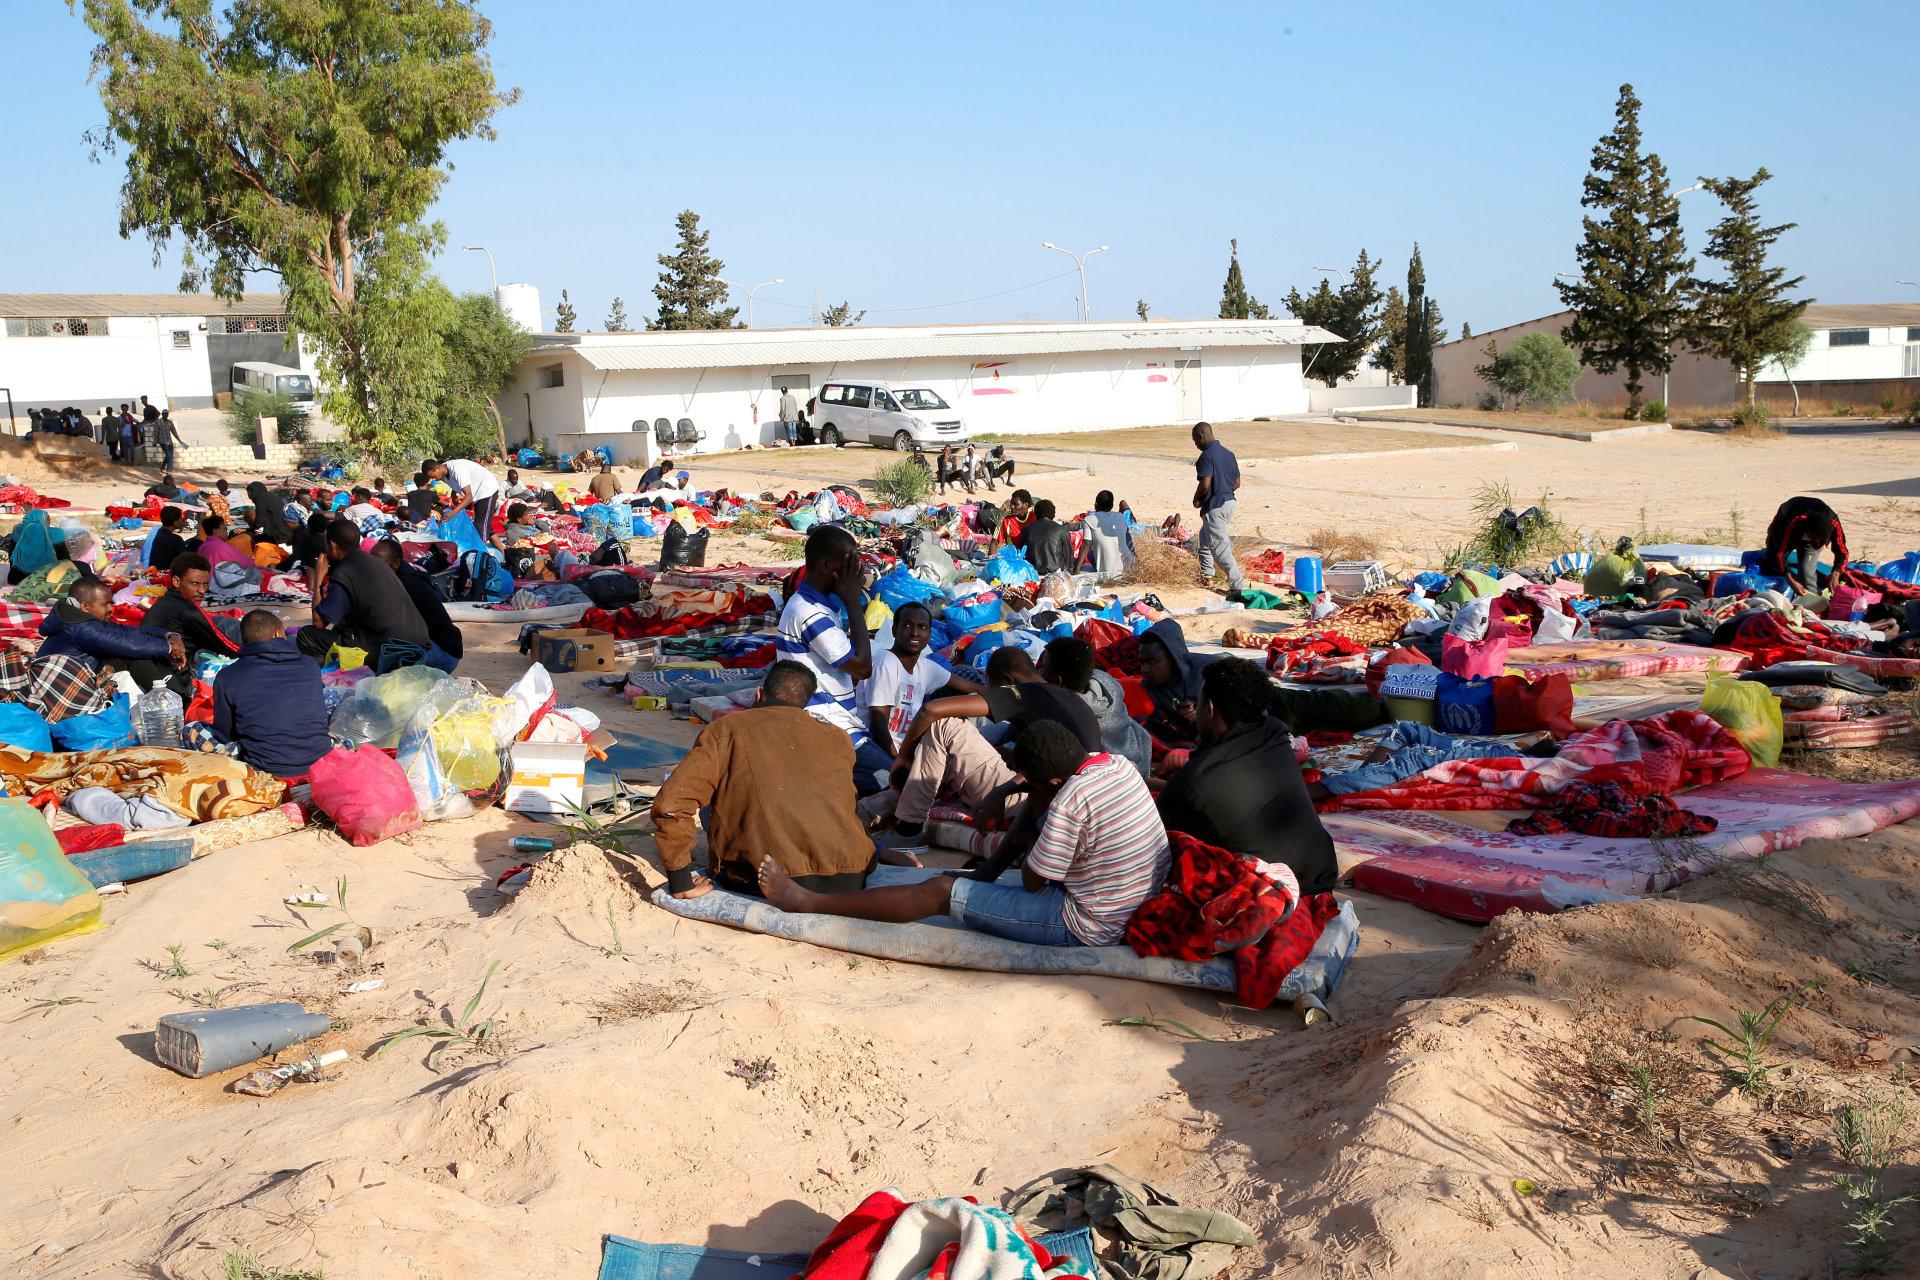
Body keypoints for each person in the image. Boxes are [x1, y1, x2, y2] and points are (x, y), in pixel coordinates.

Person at [757, 720, 1172, 949]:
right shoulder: (1116, 765)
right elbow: (1049, 789)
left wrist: (1039, 803)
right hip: (1134, 903)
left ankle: (809, 902)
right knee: (1021, 820)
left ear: (1051, 781)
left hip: (1090, 925)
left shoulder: (1066, 801)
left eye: (1031, 780)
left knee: (939, 890)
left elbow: (1032, 881)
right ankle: (984, 881)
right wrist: (1015, 789)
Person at [651, 661, 882, 899]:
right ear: (804, 705)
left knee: (713, 798)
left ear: (759, 694)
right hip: (852, 878)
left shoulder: (725, 729)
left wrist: (681, 882)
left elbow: (672, 804)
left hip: (764, 880)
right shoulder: (837, 736)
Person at [1158, 657, 1338, 894]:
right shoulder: (1275, 731)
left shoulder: (1190, 785)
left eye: (1199, 702)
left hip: (1272, 893)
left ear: (1209, 709)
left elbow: (1156, 843)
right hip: (1320, 869)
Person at [775, 523, 893, 793]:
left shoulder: (820, 606)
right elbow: (862, 667)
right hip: (825, 727)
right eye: (851, 562)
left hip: (837, 721)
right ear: (828, 565)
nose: (858, 571)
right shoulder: (809, 613)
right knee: (891, 784)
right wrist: (853, 600)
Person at [210, 610, 332, 780]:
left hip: (268, 770)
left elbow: (224, 735)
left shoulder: (228, 676)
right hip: (318, 761)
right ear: (277, 634)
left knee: (191, 730)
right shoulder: (309, 665)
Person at [297, 518, 431, 667]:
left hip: (387, 647)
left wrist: (319, 579)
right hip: (418, 643)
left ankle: (329, 674)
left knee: (306, 635)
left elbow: (319, 623)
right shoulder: (376, 562)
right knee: (342, 625)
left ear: (333, 545)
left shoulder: (345, 572)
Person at [37, 579, 185, 691]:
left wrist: (168, 636)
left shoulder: (80, 618)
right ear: (84, 607)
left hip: (73, 680)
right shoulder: (81, 628)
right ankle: (171, 699)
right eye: (105, 604)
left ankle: (173, 694)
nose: (111, 609)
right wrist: (168, 648)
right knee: (132, 655)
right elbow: (128, 644)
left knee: (143, 648)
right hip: (65, 689)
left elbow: (127, 631)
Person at [1040, 635, 1151, 777]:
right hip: (1138, 756)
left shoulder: (1063, 712)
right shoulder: (1106, 682)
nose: (1039, 673)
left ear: (1058, 681)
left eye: (1043, 669)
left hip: (1114, 775)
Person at [143, 553, 242, 690]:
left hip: (156, 669)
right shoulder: (188, 610)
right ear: (176, 581)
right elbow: (224, 645)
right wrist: (256, 654)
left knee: (219, 621)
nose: (201, 591)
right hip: (179, 678)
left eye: (205, 584)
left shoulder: (167, 600)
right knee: (231, 627)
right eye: (195, 583)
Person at [862, 601, 950, 753]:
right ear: (894, 630)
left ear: (929, 633)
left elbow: (965, 684)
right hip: (878, 747)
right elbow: (878, 726)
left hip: (906, 750)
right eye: (907, 626)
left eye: (922, 627)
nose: (915, 633)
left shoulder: (924, 666)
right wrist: (897, 763)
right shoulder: (886, 663)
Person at [372, 539, 463, 672]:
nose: (373, 569)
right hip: (433, 646)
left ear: (396, 563)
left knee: (386, 651)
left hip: (444, 653)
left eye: (379, 564)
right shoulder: (397, 577)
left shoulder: (407, 585)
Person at [1138, 619, 1215, 744]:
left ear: (1173, 658)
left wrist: (1201, 714)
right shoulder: (1149, 688)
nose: (1144, 669)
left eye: (1151, 662)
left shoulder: (1208, 670)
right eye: (1142, 663)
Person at [1191, 421, 1245, 594]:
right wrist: (1223, 489)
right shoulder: (1229, 454)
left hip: (1215, 506)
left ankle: (1238, 586)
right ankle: (1207, 577)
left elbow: (1205, 484)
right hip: (1230, 503)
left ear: (1201, 436)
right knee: (1205, 541)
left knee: (1221, 548)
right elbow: (1237, 483)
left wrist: (1198, 498)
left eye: (1195, 441)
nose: (1196, 445)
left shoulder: (1206, 456)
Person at [1761, 496, 1847, 594]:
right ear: (1807, 530)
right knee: (1772, 559)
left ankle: (1810, 602)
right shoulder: (1792, 520)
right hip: (1786, 526)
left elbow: (1842, 551)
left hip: (1809, 535)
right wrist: (1789, 577)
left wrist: (1836, 572)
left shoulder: (1834, 524)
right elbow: (1779, 552)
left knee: (1807, 575)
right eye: (1813, 537)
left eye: (1820, 540)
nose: (1817, 542)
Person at [424, 457, 501, 540]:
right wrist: (454, 496)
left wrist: (453, 513)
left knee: (480, 528)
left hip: (486, 490)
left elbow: (468, 496)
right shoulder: (444, 473)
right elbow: (456, 484)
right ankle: (504, 552)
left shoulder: (457, 470)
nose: (434, 479)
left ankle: (481, 551)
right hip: (477, 493)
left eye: (434, 476)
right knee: (485, 527)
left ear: (438, 468)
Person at [1083, 490, 1134, 579]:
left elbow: (1086, 545)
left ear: (1096, 504)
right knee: (1126, 535)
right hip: (1128, 566)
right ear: (1112, 506)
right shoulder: (1121, 516)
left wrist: (1076, 569)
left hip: (1107, 572)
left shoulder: (1088, 519)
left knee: (1090, 553)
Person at [1020, 498, 1075, 576]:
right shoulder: (1061, 529)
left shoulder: (1027, 529)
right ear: (1053, 515)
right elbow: (1068, 556)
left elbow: (1022, 554)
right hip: (1055, 574)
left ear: (1035, 514)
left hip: (1032, 573)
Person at [146, 505, 190, 572]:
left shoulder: (156, 533)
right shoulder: (175, 539)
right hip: (167, 573)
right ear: (175, 522)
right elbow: (185, 559)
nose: (182, 522)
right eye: (180, 519)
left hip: (154, 570)